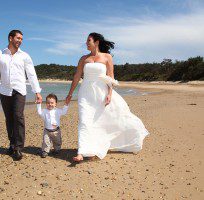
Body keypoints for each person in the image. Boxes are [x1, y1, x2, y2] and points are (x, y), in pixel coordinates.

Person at [65, 32, 149, 162]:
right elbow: (77, 76)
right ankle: (82, 152)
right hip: (85, 93)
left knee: (101, 121)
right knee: (84, 120)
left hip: (101, 92)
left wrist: (109, 94)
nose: (86, 43)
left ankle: (94, 148)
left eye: (89, 41)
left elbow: (110, 77)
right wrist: (70, 94)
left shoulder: (107, 57)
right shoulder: (83, 58)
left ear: (96, 42)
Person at [0, 30, 42, 161]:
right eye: (18, 38)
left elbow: (31, 74)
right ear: (10, 38)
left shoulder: (25, 56)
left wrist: (37, 91)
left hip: (19, 91)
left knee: (18, 117)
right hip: (4, 91)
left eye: (21, 39)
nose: (20, 40)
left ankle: (19, 148)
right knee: (9, 119)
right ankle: (12, 144)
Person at [37, 93, 69, 158]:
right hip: (47, 130)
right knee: (46, 142)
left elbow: (64, 112)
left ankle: (57, 150)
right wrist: (39, 104)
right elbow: (39, 112)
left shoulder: (57, 111)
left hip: (56, 130)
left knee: (57, 141)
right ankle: (45, 151)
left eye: (52, 103)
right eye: (48, 103)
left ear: (55, 104)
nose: (50, 104)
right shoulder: (44, 111)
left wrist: (66, 104)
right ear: (46, 103)